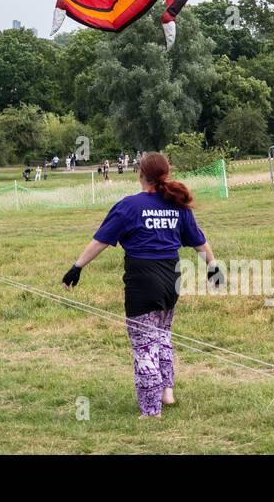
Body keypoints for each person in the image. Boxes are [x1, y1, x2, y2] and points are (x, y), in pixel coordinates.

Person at [61, 152, 220, 418]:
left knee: (144, 344)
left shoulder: (129, 206)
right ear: (164, 174)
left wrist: (77, 266)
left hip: (142, 281)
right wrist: (213, 267)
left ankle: (150, 409)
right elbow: (199, 242)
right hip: (172, 279)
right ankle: (167, 392)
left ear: (140, 174)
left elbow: (101, 240)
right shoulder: (176, 204)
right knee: (163, 335)